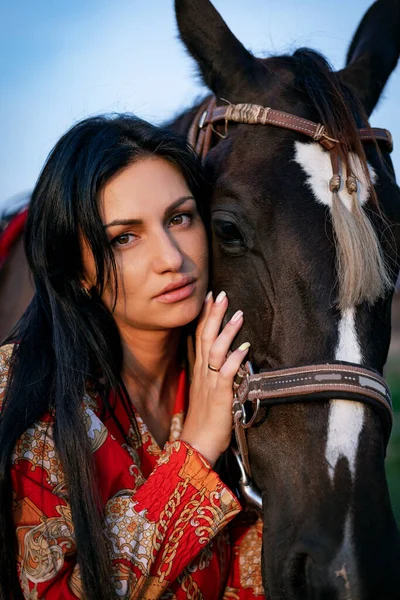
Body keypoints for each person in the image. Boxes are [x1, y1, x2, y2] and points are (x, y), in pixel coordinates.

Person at [0, 114, 264, 600]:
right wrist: (198, 450)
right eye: (124, 237)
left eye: (180, 218)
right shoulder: (23, 396)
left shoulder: (237, 367)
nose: (171, 258)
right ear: (77, 271)